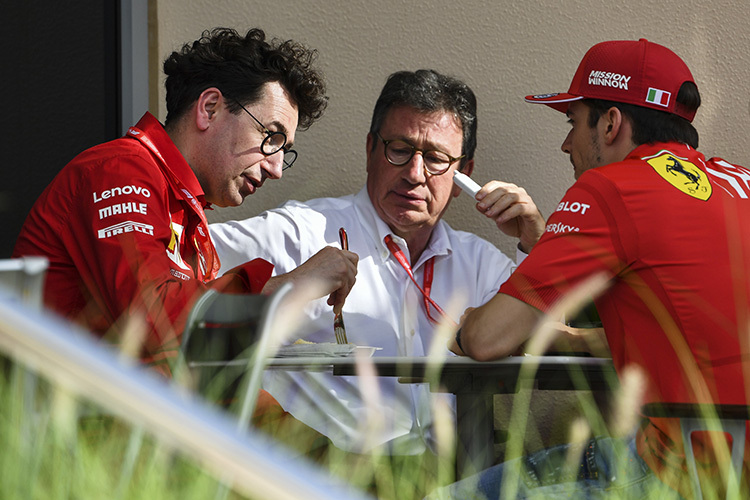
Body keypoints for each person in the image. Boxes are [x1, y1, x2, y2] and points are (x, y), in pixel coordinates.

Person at [433, 39, 750, 499]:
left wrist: (461, 332)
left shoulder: (611, 188)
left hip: (685, 474)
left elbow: (487, 340)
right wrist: (566, 326)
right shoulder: (739, 181)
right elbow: (684, 328)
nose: (566, 143)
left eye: (573, 122)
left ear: (610, 123)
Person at [210, 69, 546, 458]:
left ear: (463, 174)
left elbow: (552, 335)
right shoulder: (301, 233)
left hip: (451, 479)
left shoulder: (479, 262)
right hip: (326, 477)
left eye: (436, 159)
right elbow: (179, 269)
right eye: (399, 150)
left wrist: (536, 244)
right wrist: (290, 282)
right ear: (370, 149)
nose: (414, 175)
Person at [12, 28, 356, 374]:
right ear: (209, 109)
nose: (276, 167)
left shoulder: (188, 210)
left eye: (285, 151)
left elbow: (199, 359)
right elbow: (154, 321)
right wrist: (294, 285)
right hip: (72, 421)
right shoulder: (121, 170)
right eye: (271, 137)